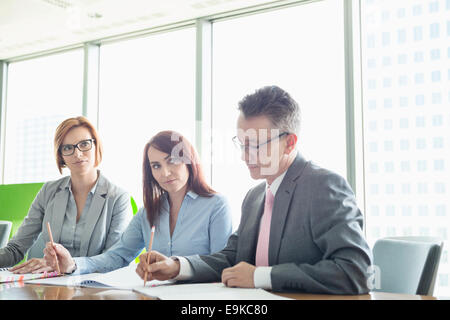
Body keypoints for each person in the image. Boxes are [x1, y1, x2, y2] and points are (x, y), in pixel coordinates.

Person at [136, 86, 373, 294]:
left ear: (289, 142)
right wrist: (177, 267)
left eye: (255, 145)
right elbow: (232, 258)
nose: (243, 156)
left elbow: (356, 271)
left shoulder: (323, 186)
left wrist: (261, 276)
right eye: (241, 144)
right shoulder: (255, 196)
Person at [43, 130, 232, 275]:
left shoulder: (216, 205)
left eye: (172, 161)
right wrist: (73, 264)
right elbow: (118, 256)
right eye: (156, 166)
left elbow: (222, 265)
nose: (165, 173)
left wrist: (177, 267)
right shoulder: (147, 213)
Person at [0, 116, 133, 273]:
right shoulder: (49, 191)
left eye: (84, 144)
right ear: (61, 155)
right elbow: (15, 250)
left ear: (96, 146)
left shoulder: (118, 198)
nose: (77, 154)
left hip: (94, 290)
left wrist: (72, 265)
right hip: (51, 287)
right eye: (68, 148)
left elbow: (115, 259)